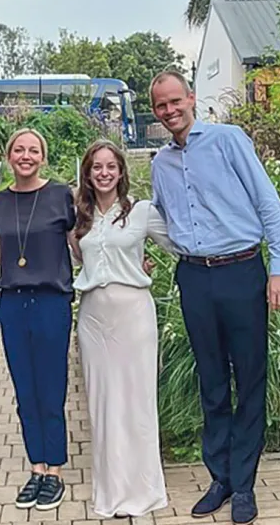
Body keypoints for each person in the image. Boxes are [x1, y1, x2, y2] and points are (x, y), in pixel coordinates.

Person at [149, 71, 280, 525]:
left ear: (191, 97)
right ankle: (221, 477)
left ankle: (245, 484)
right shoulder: (159, 163)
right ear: (154, 111)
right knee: (211, 381)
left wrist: (279, 268)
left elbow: (267, 202)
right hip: (195, 278)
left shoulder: (229, 140)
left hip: (242, 273)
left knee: (249, 378)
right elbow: (162, 220)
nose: (170, 111)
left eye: (175, 101)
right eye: (161, 106)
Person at [70, 140, 173, 519]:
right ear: (88, 172)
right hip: (94, 318)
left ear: (121, 171)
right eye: (97, 167)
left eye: (111, 166)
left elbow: (179, 244)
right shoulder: (78, 217)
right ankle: (110, 491)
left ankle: (143, 491)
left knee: (136, 403)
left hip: (133, 316)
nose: (104, 173)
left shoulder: (141, 212)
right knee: (103, 404)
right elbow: (78, 260)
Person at [0, 128, 75, 511]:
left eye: (33, 150)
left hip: (50, 301)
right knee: (24, 390)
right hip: (12, 303)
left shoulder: (61, 196)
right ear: (10, 156)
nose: (26, 155)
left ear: (43, 157)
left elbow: (82, 245)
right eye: (19, 149)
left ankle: (55, 470)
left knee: (51, 389)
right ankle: (36, 467)